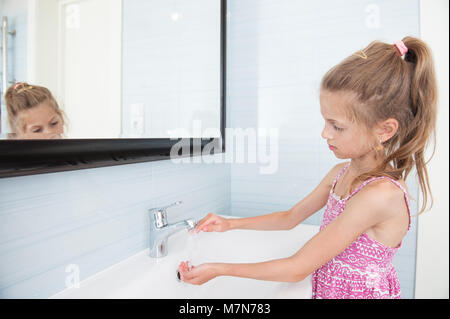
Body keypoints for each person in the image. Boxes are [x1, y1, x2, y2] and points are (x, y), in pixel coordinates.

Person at [178, 36, 438, 299]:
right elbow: (290, 217)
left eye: (337, 126)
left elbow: (297, 269)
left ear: (384, 130)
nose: (325, 133)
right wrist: (230, 224)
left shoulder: (380, 195)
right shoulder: (340, 175)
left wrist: (219, 269)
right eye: (325, 121)